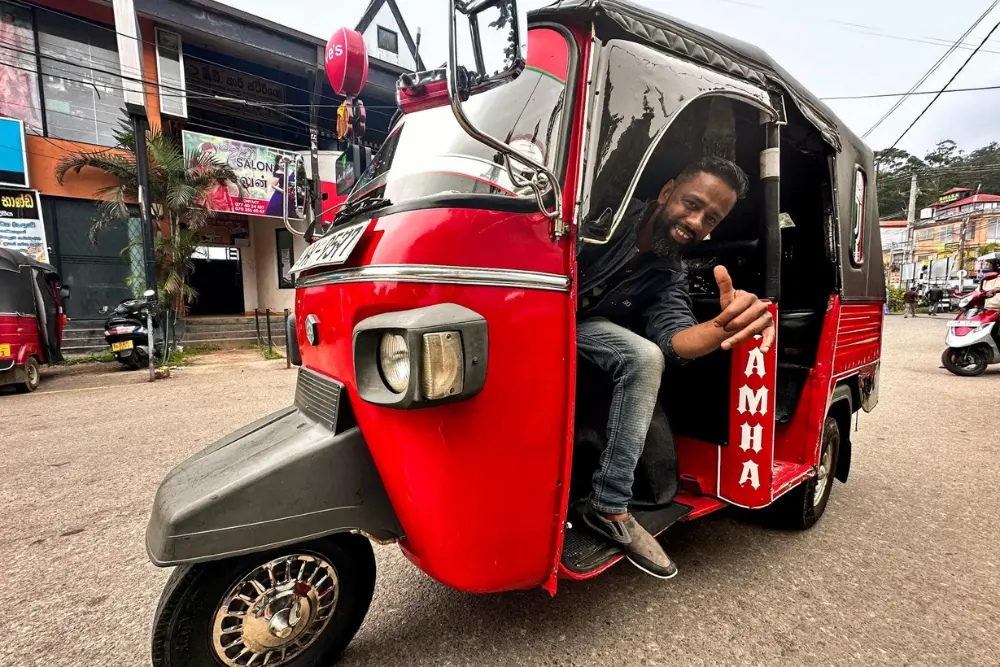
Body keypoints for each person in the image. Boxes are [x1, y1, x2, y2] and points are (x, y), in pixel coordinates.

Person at [575, 157, 774, 580]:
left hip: (579, 325)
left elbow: (674, 341)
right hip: (533, 306)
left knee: (645, 357)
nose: (695, 221)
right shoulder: (599, 212)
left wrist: (721, 327)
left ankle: (607, 506)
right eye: (691, 203)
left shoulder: (669, 273)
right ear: (666, 193)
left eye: (710, 217)